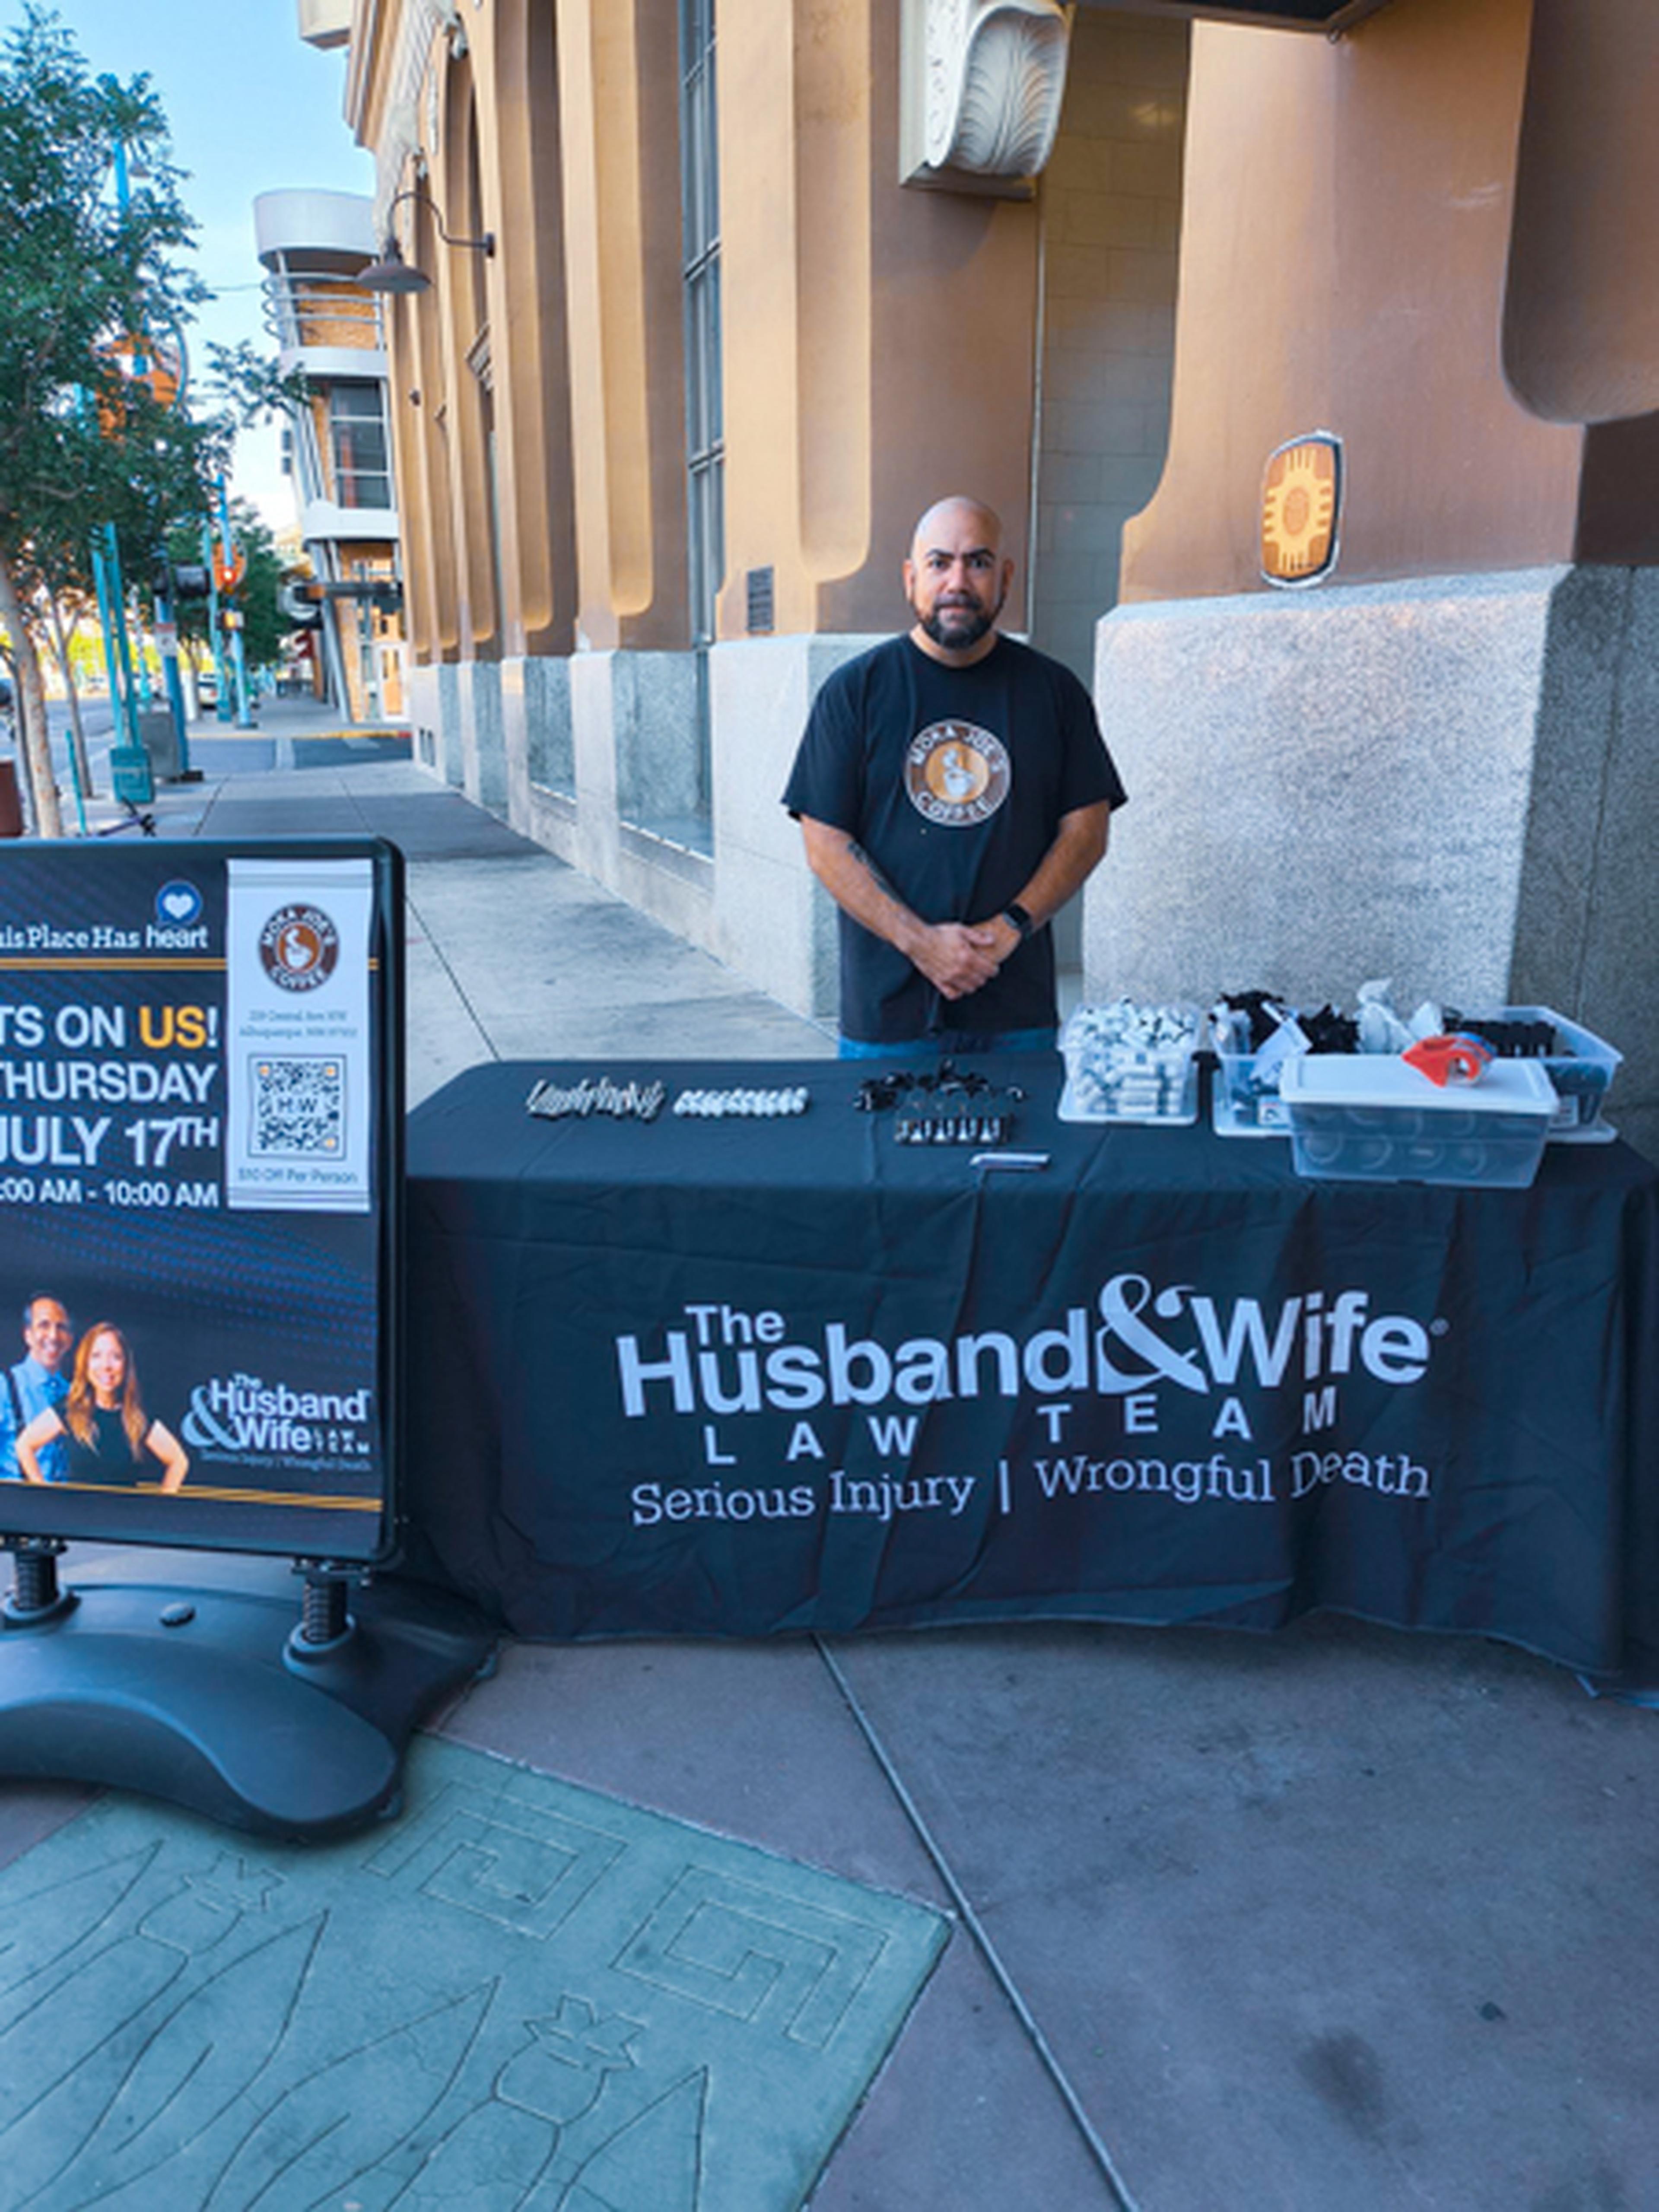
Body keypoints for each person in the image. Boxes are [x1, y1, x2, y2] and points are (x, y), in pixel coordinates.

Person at [782, 494, 1128, 1055]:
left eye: (979, 562)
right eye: (940, 562)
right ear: (910, 577)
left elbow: (1087, 832)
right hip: (889, 1014)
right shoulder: (855, 693)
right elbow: (824, 843)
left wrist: (1008, 930)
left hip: (1016, 1006)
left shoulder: (1054, 692)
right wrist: (920, 943)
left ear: (1006, 577)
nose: (958, 581)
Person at [16, 1322, 188, 1492]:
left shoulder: (137, 1417)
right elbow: (25, 1445)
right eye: (97, 1356)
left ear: (126, 1364)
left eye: (116, 1357)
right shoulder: (70, 1409)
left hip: (124, 1518)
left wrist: (160, 1507)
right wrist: (43, 1495)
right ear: (86, 1363)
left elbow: (179, 1461)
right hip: (75, 1517)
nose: (106, 1366)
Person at [0, 1294, 73, 1482]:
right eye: (44, 1325)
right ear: (28, 1335)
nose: (53, 1336)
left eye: (61, 1327)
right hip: (15, 1505)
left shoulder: (75, 1395)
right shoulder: (5, 1387)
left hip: (67, 1507)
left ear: (70, 1339)